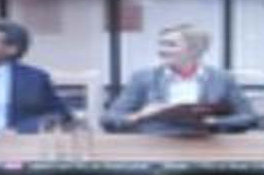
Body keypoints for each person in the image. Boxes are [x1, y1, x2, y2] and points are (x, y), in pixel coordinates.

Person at [104, 22, 256, 132]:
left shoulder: (221, 78)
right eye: (161, 44)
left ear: (194, 48)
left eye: (170, 45)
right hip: (155, 148)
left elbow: (248, 118)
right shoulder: (143, 77)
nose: (161, 50)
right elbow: (109, 119)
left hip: (207, 147)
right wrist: (139, 115)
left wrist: (213, 122)